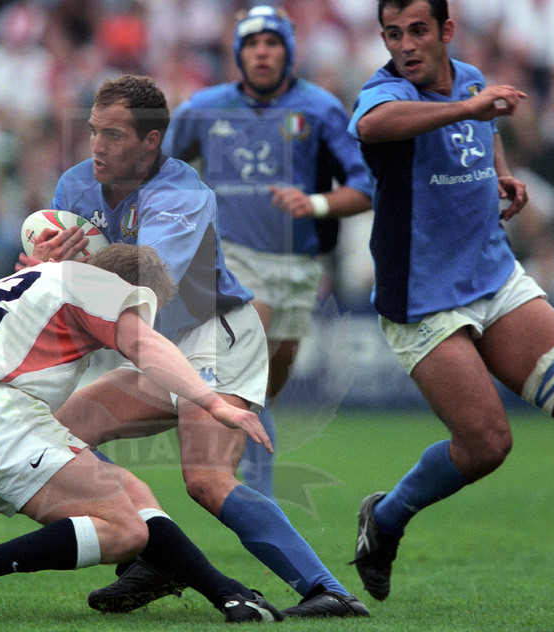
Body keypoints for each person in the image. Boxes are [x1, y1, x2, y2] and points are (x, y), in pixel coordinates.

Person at [22, 74, 369, 619]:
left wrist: (73, 268)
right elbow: (76, 290)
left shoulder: (183, 192)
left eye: (113, 135)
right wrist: (39, 273)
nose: (97, 146)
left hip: (219, 337)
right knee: (59, 435)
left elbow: (151, 276)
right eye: (93, 131)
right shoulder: (74, 185)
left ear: (151, 141)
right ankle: (158, 553)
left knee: (206, 481)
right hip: (164, 347)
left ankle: (329, 591)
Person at [337, 0, 554, 601]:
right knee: (488, 446)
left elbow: (481, 128)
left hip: (494, 276)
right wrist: (468, 108)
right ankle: (386, 518)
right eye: (393, 34)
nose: (405, 45)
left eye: (418, 31)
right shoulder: (386, 92)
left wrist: (499, 171)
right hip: (423, 297)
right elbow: (372, 127)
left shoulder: (469, 79)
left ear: (446, 30)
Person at [0, 243, 283, 623]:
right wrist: (213, 402)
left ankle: (228, 595)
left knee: (132, 496)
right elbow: (143, 345)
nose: (139, 316)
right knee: (126, 532)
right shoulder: (95, 282)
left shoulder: (35, 279)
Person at [162, 5, 373, 500]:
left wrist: (316, 202)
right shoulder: (205, 108)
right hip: (231, 259)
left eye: (272, 43)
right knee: (249, 342)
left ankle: (254, 488)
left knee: (262, 389)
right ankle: (225, 488)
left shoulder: (320, 109)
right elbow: (162, 171)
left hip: (298, 267)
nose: (262, 52)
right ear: (239, 53)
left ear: (288, 51)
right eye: (253, 44)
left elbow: (365, 187)